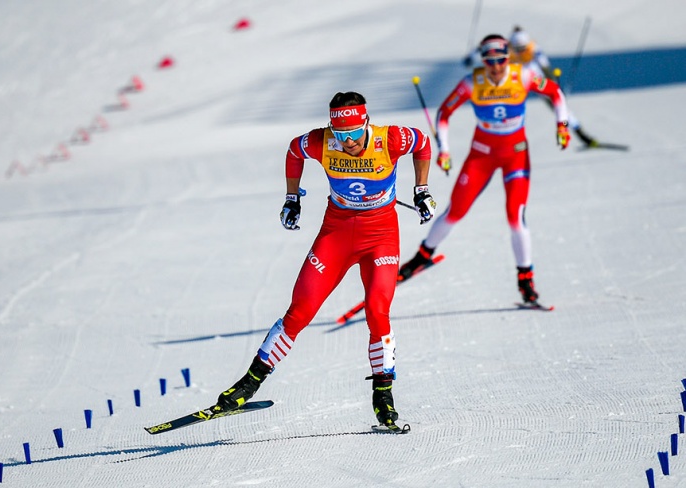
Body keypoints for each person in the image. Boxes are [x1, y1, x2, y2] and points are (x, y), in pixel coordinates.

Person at [206, 91, 436, 429]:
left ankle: (383, 393)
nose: (349, 142)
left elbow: (423, 144)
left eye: (355, 134)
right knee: (300, 309)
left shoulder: (390, 138)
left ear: (366, 123)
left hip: (380, 236)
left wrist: (422, 189)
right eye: (341, 136)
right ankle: (249, 383)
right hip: (337, 234)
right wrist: (291, 197)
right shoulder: (320, 141)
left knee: (377, 309)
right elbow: (292, 151)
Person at [400, 34, 571, 306]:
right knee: (455, 211)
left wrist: (562, 125)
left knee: (515, 216)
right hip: (481, 155)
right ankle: (423, 256)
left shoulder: (523, 76)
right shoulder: (472, 83)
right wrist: (443, 149)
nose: (496, 66)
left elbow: (555, 92)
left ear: (508, 58)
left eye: (501, 59)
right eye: (490, 61)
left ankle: (525, 280)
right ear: (483, 61)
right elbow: (444, 114)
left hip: (515, 155)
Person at [508, 26, 598, 147]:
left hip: (533, 80)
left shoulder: (532, 48)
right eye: (517, 49)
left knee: (560, 109)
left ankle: (579, 132)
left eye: (522, 48)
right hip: (521, 81)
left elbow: (545, 68)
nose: (520, 52)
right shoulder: (516, 48)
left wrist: (554, 88)